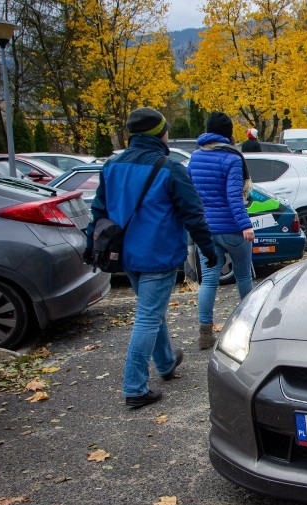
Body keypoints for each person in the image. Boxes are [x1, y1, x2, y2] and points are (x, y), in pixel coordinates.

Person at [86, 108, 217, 409]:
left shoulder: (112, 165)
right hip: (158, 255)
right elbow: (193, 215)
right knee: (147, 316)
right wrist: (208, 250)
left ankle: (167, 362)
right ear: (161, 134)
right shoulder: (170, 168)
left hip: (125, 255)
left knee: (150, 310)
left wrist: (90, 244)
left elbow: (99, 211)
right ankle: (134, 387)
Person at [187, 112, 255, 350]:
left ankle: (205, 333)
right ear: (227, 132)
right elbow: (233, 196)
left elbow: (191, 194)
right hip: (232, 228)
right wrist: (245, 224)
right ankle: (248, 326)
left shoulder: (195, 157)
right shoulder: (232, 158)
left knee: (209, 281)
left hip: (206, 230)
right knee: (244, 275)